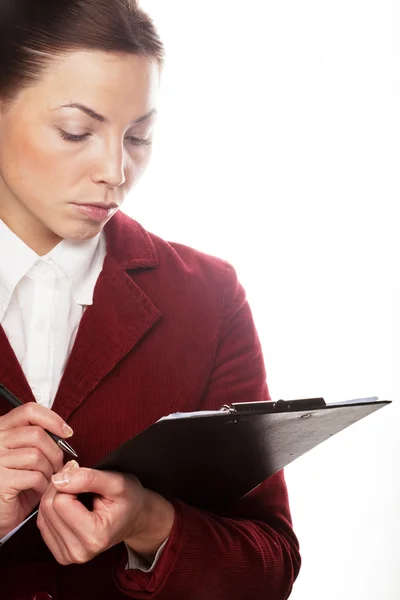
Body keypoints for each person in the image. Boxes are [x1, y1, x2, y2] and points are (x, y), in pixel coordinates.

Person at [0, 1, 301, 598]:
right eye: (76, 132)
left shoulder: (208, 297)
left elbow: (270, 568)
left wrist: (148, 523)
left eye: (138, 136)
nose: (116, 170)